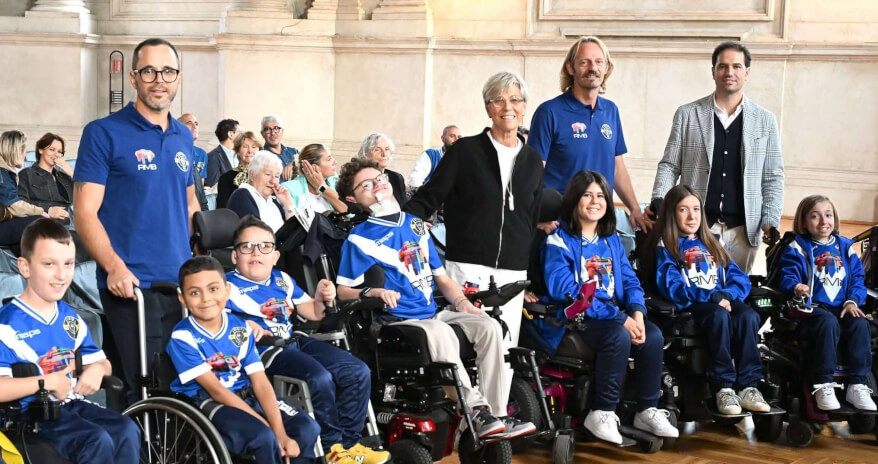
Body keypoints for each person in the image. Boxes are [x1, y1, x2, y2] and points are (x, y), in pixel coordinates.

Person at [335, 158, 536, 440]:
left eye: (379, 178)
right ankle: (474, 410)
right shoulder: (359, 238)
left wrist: (464, 304)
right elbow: (343, 291)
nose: (377, 185)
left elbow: (442, 278)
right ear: (352, 198)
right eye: (366, 185)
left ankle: (496, 414)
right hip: (398, 319)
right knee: (440, 330)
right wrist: (373, 292)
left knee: (488, 326)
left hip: (432, 311)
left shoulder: (415, 225)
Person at [73, 37, 201, 405]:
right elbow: (84, 212)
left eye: (168, 71)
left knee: (180, 387)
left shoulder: (182, 136)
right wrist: (114, 267)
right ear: (133, 78)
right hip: (129, 285)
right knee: (140, 391)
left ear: (178, 78)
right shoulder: (103, 132)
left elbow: (189, 202)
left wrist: (199, 262)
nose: (159, 79)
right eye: (149, 71)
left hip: (178, 283)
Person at [225, 216, 389, 464]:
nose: (256, 252)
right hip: (264, 351)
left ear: (275, 256)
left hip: (294, 340)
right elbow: (215, 323)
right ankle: (332, 448)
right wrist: (240, 325)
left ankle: (349, 444)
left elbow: (313, 312)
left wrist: (322, 297)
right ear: (234, 256)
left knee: (357, 371)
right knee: (319, 378)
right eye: (247, 246)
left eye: (265, 246)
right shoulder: (225, 286)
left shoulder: (282, 279)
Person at [535, 171, 677, 444]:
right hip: (577, 316)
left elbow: (630, 281)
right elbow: (565, 290)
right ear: (575, 200)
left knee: (653, 335)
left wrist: (637, 312)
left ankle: (646, 409)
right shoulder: (558, 240)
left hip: (614, 313)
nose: (595, 201)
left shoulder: (611, 240)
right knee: (617, 335)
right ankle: (602, 412)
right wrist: (620, 318)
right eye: (587, 195)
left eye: (600, 196)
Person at [405, 71, 543, 348]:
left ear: (524, 107)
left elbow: (532, 220)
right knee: (465, 349)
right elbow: (429, 197)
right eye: (498, 100)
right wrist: (397, 223)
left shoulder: (532, 160)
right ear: (488, 108)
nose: (508, 107)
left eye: (515, 100)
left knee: (504, 352)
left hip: (513, 273)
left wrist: (529, 276)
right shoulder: (465, 150)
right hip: (467, 268)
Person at [0, 218, 140, 464]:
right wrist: (46, 382)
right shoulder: (7, 325)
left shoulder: (70, 318)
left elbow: (103, 363)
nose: (61, 275)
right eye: (49, 264)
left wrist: (97, 370)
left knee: (126, 429)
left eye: (68, 264)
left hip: (71, 406)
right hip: (30, 416)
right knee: (96, 440)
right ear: (25, 267)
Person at [169, 255, 320, 464]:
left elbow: (260, 382)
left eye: (213, 289)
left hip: (246, 392)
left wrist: (280, 432)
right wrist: (271, 430)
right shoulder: (183, 337)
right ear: (182, 298)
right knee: (263, 437)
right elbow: (216, 390)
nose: (205, 298)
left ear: (227, 291)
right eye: (195, 292)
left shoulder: (240, 328)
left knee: (306, 427)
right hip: (208, 400)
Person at [650, 41, 784, 273]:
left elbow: (773, 176)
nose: (729, 72)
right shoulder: (687, 114)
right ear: (713, 71)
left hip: (744, 230)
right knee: (696, 286)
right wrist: (659, 200)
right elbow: (670, 165)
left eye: (736, 66)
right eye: (722, 66)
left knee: (737, 289)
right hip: (697, 225)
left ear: (747, 72)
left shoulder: (766, 120)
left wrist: (770, 219)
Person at [649, 184, 770, 416]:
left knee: (748, 316)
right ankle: (723, 387)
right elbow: (672, 286)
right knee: (719, 315)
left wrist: (727, 295)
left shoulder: (715, 243)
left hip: (721, 299)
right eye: (683, 209)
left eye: (696, 209)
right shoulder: (666, 245)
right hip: (693, 304)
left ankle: (749, 386)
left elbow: (739, 279)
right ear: (672, 214)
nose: (692, 216)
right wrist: (711, 297)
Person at [527, 36, 649, 232]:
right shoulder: (549, 112)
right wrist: (534, 219)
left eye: (599, 62)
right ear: (570, 68)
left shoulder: (611, 111)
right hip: (560, 225)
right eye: (584, 62)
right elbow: (533, 172)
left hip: (600, 223)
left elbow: (617, 168)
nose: (593, 68)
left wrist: (634, 208)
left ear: (607, 68)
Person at [776, 195, 875, 411]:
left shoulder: (845, 247)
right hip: (810, 308)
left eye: (828, 215)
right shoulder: (798, 247)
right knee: (827, 322)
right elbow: (788, 275)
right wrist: (796, 286)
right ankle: (823, 383)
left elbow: (857, 280)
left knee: (860, 324)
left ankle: (857, 384)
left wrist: (852, 301)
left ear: (835, 218)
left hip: (842, 306)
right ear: (804, 222)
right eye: (815, 216)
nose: (823, 221)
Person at [0, 130, 56, 253]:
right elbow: (15, 206)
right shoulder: (1, 173)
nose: (25, 156)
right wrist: (42, 212)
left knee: (27, 240)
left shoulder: (5, 171)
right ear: (16, 151)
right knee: (39, 222)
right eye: (24, 150)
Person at [227, 152, 295, 232]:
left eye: (277, 176)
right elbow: (255, 233)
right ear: (252, 175)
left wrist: (288, 204)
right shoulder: (242, 195)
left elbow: (293, 232)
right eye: (268, 174)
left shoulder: (273, 202)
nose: (273, 181)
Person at [18, 132, 75, 219]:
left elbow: (86, 198)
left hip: (71, 221)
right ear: (40, 150)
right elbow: (21, 203)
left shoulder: (65, 177)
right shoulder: (26, 174)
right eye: (52, 149)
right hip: (43, 221)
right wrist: (47, 209)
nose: (56, 154)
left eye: (59, 152)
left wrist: (72, 173)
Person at [280, 143, 348, 215]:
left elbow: (349, 213)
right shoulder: (290, 189)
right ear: (313, 167)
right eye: (329, 159)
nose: (335, 162)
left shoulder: (334, 182)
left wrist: (322, 186)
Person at [356, 133, 406, 207]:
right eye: (377, 150)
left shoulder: (396, 177)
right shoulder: (359, 179)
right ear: (365, 154)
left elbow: (404, 208)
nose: (384, 154)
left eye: (387, 149)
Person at [407, 125, 461, 190]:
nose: (456, 140)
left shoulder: (464, 159)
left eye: (459, 137)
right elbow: (415, 179)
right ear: (443, 138)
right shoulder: (431, 155)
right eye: (452, 136)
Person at [217, 131, 261, 209]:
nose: (250, 151)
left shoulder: (265, 175)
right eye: (245, 147)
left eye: (254, 147)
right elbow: (223, 209)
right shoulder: (225, 178)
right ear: (237, 151)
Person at [179, 113, 209, 211]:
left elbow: (200, 189)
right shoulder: (173, 152)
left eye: (196, 123)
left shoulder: (201, 154)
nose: (194, 126)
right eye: (189, 123)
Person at [261, 115, 300, 182]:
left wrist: (294, 163)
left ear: (282, 131)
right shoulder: (260, 158)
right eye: (267, 129)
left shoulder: (294, 152)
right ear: (262, 134)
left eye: (276, 128)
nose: (272, 133)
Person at [206, 118, 240, 192]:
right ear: (230, 134)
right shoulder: (212, 158)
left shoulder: (241, 155)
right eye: (239, 132)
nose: (241, 136)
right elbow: (213, 188)